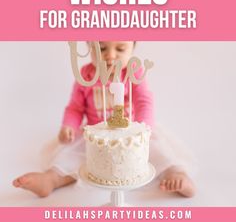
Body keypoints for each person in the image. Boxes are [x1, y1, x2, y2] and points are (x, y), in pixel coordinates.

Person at [13, 41, 195, 198]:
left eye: (121, 49)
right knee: (73, 155)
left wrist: (142, 128)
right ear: (88, 47)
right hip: (97, 136)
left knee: (156, 149)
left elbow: (143, 100)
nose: (111, 56)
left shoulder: (134, 72)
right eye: (101, 49)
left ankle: (176, 173)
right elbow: (75, 108)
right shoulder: (86, 76)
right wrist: (69, 126)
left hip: (132, 132)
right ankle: (51, 178)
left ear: (133, 48)